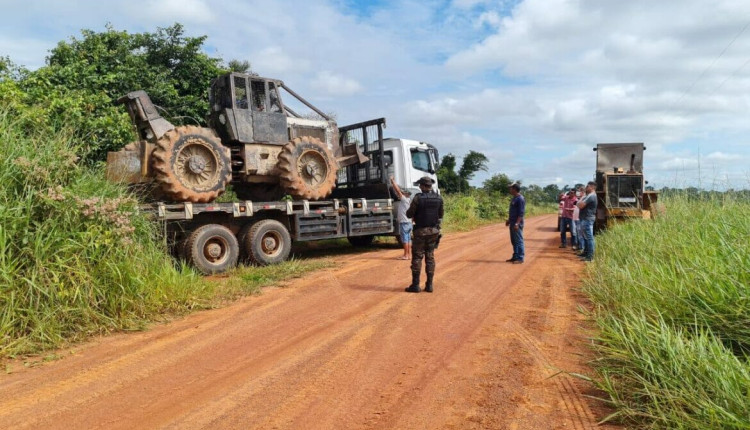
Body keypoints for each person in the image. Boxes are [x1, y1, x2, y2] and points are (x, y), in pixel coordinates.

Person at [404, 176, 443, 293]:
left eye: (420, 185)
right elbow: (440, 215)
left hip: (420, 232)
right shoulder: (438, 198)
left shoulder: (418, 198)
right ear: (430, 186)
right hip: (434, 232)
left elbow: (409, 214)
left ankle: (415, 285)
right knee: (430, 257)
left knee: (417, 257)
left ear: (422, 186)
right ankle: (429, 285)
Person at [390, 176, 412, 260]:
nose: (401, 194)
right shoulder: (409, 200)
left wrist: (392, 181)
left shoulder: (404, 199)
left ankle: (406, 255)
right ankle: (409, 255)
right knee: (408, 239)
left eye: (403, 193)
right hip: (409, 223)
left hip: (404, 223)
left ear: (406, 194)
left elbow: (397, 190)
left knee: (404, 239)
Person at [577, 181, 598, 262]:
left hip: (587, 219)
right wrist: (579, 203)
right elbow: (579, 203)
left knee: (589, 238)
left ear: (592, 187)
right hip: (585, 218)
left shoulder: (591, 196)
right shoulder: (588, 195)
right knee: (586, 237)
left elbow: (580, 205)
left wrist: (579, 203)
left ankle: (590, 256)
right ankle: (586, 253)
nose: (586, 187)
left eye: (588, 186)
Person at [505, 183, 525, 264]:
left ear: (515, 189)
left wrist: (517, 223)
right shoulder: (514, 198)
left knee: (519, 241)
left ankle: (520, 258)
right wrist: (509, 220)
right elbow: (513, 212)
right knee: (514, 241)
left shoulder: (520, 199)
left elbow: (521, 213)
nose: (510, 190)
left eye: (511, 188)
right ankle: (515, 256)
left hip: (517, 224)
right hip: (512, 223)